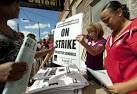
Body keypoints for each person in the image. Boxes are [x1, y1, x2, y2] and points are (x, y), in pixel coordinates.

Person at [100, 1, 137, 94]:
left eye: (107, 19)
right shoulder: (110, 37)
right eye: (104, 22)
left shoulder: (134, 32)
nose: (106, 24)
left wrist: (127, 87)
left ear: (119, 12)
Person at [0, 0, 27, 93]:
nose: (19, 7)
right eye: (15, 3)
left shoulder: (16, 35)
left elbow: (22, 54)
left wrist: (48, 51)